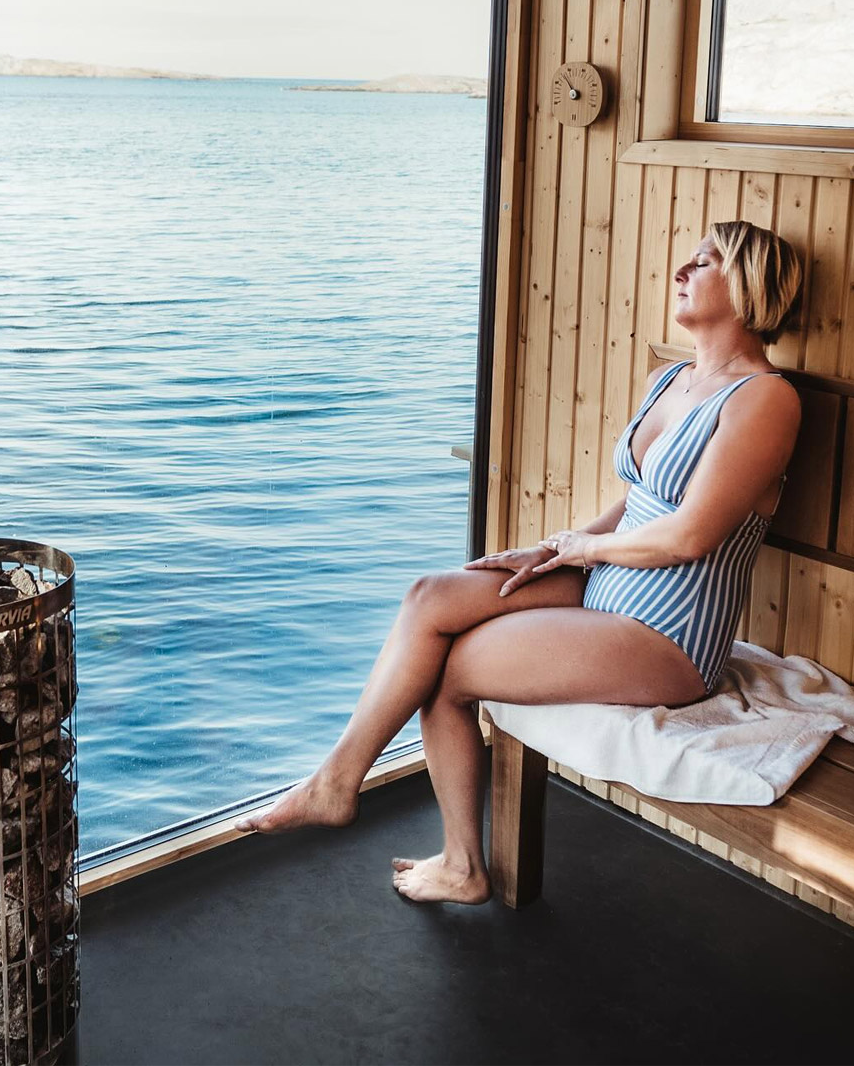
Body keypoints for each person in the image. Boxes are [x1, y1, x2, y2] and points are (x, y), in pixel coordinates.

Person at [235, 220, 804, 904]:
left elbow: (690, 537)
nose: (683, 269)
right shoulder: (670, 379)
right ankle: (339, 781)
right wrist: (556, 545)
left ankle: (456, 862)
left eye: (705, 261)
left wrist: (582, 551)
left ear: (748, 286)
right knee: (430, 596)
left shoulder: (766, 399)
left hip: (669, 637)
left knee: (450, 672)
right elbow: (638, 503)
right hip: (606, 587)